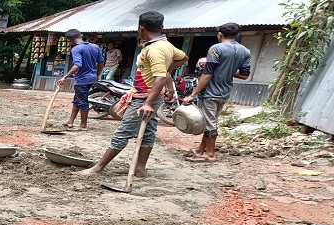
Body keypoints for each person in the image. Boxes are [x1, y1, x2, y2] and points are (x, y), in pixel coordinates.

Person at [80, 11, 188, 176]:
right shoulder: (166, 45)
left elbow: (160, 77)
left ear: (141, 28)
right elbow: (184, 58)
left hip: (144, 97)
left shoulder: (155, 49)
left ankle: (98, 167)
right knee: (148, 132)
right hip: (151, 95)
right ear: (162, 27)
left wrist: (147, 103)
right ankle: (140, 168)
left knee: (123, 132)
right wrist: (165, 69)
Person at [182, 23, 251, 162]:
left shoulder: (216, 49)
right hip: (225, 92)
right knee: (210, 121)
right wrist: (229, 71)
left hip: (210, 92)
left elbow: (207, 74)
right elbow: (244, 75)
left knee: (210, 124)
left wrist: (192, 94)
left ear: (220, 34)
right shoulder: (245, 51)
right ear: (236, 35)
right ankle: (201, 149)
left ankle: (211, 154)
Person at [56, 29, 104, 131]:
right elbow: (101, 62)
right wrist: (97, 74)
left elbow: (77, 65)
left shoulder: (76, 49)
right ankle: (71, 121)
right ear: (81, 35)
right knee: (78, 99)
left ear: (70, 40)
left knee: (82, 101)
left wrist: (64, 77)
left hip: (82, 79)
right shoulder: (95, 46)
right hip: (91, 77)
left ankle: (83, 125)